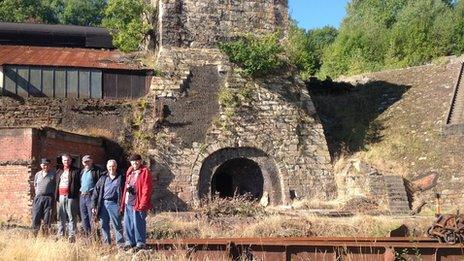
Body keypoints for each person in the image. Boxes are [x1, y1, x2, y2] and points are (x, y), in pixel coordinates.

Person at [120, 154, 153, 250]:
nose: (135, 163)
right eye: (133, 161)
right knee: (128, 222)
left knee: (139, 222)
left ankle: (140, 242)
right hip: (128, 200)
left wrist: (143, 203)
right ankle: (130, 241)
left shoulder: (145, 171)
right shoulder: (130, 171)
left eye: (137, 161)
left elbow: (147, 188)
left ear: (140, 161)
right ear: (130, 162)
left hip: (138, 202)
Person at [91, 160, 125, 246]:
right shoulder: (103, 178)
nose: (111, 168)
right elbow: (96, 191)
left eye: (113, 166)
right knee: (104, 225)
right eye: (110, 166)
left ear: (116, 167)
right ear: (107, 167)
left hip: (115, 204)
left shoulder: (121, 177)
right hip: (103, 204)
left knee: (117, 225)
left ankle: (120, 244)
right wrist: (93, 205)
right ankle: (107, 245)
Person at [55, 154, 80, 242]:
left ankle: (71, 236)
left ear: (71, 160)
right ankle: (61, 234)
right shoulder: (59, 171)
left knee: (71, 216)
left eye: (68, 160)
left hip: (71, 197)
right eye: (65, 160)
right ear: (62, 161)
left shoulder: (76, 171)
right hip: (60, 196)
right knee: (61, 217)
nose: (66, 162)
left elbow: (78, 184)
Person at [32, 158, 56, 236]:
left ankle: (45, 235)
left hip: (48, 198)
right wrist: (38, 194)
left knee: (47, 217)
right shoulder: (37, 174)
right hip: (38, 198)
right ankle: (34, 234)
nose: (46, 166)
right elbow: (35, 185)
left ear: (50, 165)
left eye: (47, 165)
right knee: (36, 216)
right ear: (41, 165)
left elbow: (55, 186)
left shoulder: (53, 174)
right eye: (44, 165)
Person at [79, 155, 102, 236]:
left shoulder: (97, 170)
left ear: (91, 161)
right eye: (85, 162)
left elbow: (100, 185)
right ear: (82, 163)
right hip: (82, 196)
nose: (86, 163)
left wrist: (96, 199)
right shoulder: (82, 172)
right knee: (84, 218)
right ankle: (88, 237)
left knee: (92, 218)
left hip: (91, 196)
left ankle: (95, 238)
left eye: (88, 161)